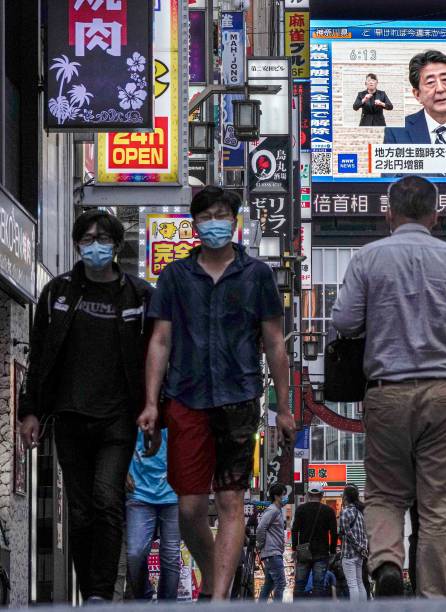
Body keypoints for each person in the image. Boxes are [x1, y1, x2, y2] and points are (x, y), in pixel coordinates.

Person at [331, 175, 446, 597]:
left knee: (386, 492)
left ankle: (388, 563)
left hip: (386, 390)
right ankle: (432, 598)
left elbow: (343, 321)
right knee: (441, 507)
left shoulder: (367, 258)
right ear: (436, 215)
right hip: (445, 392)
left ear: (387, 213)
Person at [137, 186, 296, 601]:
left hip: (240, 400)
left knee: (230, 500)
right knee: (189, 509)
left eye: (222, 214)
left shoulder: (258, 275)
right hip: (185, 400)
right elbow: (159, 341)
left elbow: (276, 343)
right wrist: (151, 403)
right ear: (195, 223)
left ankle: (219, 598)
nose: (214, 223)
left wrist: (285, 407)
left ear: (235, 220)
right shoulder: (174, 277)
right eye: (206, 216)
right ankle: (216, 575)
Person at [18, 210, 153, 603]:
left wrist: (152, 410)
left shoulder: (139, 296)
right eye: (87, 238)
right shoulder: (58, 294)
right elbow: (39, 355)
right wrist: (31, 411)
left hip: (118, 419)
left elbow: (153, 357)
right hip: (70, 417)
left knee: (106, 499)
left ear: (115, 245)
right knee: (79, 510)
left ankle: (98, 594)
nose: (95, 246)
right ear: (77, 244)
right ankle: (90, 587)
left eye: (102, 239)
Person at [126, 430, 180, 601]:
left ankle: (167, 607)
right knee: (135, 553)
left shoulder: (175, 405)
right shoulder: (134, 406)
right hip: (138, 490)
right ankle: (145, 601)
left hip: (173, 492)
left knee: (171, 556)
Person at [292, 485, 338, 597]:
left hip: (303, 552)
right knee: (318, 586)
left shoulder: (301, 509)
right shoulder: (329, 511)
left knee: (299, 586)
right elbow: (334, 533)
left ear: (308, 495)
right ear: (321, 495)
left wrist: (295, 548)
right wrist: (332, 551)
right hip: (322, 553)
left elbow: (295, 530)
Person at [257, 484, 288, 602]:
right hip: (272, 553)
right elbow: (260, 528)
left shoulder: (277, 510)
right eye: (283, 495)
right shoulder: (273, 510)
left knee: (269, 584)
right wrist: (260, 545)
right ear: (276, 496)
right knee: (281, 584)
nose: (285, 498)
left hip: (273, 553)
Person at [338, 484, 369, 601]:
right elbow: (365, 535)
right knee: (360, 582)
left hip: (349, 553)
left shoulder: (345, 512)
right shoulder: (360, 513)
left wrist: (358, 547)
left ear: (345, 497)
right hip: (360, 555)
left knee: (352, 584)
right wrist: (362, 548)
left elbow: (346, 533)